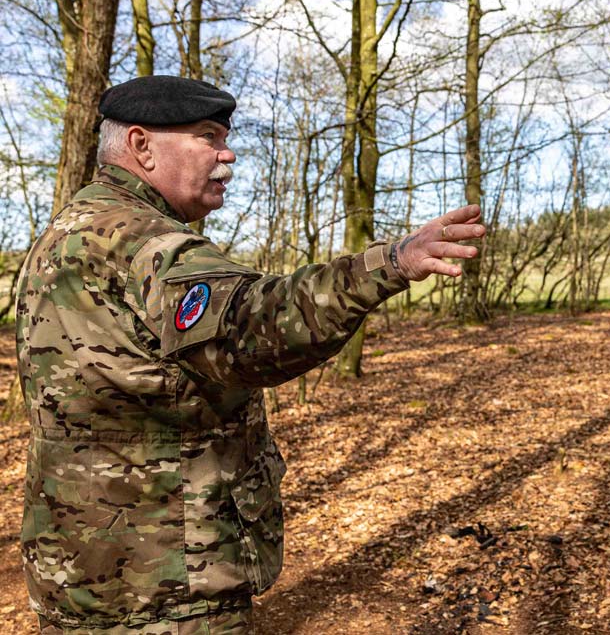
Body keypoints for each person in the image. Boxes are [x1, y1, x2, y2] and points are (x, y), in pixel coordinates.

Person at [15, 75, 486, 633]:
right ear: (142, 145)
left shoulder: (64, 235)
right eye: (208, 136)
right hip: (165, 586)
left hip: (79, 575)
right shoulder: (145, 243)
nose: (227, 153)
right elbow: (255, 323)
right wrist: (392, 264)